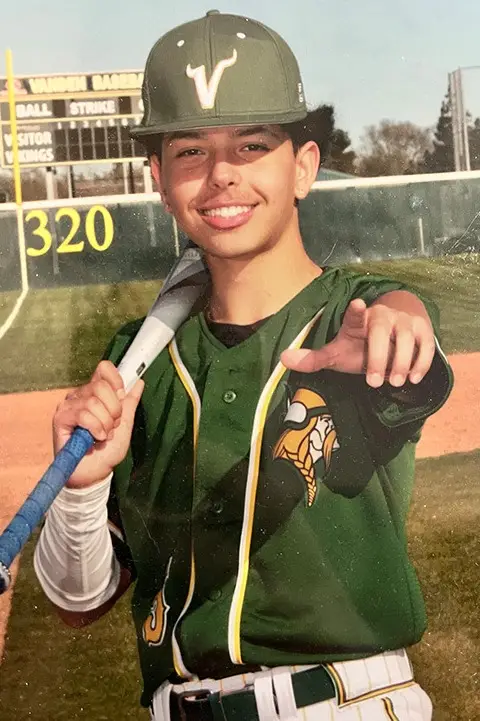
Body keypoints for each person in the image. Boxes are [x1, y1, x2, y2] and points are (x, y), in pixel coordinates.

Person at [33, 10, 453, 721]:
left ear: (305, 166)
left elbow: (416, 352)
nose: (222, 175)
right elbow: (79, 604)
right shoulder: (138, 359)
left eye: (252, 145)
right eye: (190, 151)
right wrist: (81, 487)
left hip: (343, 702)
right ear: (159, 179)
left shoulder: (356, 317)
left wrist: (405, 331)